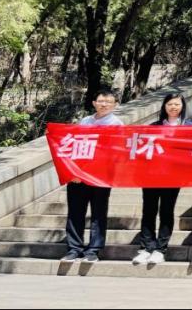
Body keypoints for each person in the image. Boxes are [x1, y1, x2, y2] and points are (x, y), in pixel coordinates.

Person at [61, 88, 124, 264]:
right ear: (94, 103)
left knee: (98, 213)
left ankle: (93, 250)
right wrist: (73, 172)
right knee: (75, 212)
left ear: (115, 105)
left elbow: (117, 152)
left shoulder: (117, 124)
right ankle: (74, 249)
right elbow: (74, 147)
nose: (104, 104)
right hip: (79, 175)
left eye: (108, 102)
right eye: (101, 101)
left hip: (101, 176)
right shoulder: (85, 121)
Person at [133, 93, 192, 266]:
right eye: (170, 104)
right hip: (151, 176)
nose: (173, 107)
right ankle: (146, 248)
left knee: (166, 211)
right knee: (148, 211)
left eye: (177, 104)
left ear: (182, 107)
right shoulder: (154, 126)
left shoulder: (189, 127)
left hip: (173, 177)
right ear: (164, 106)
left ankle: (160, 249)